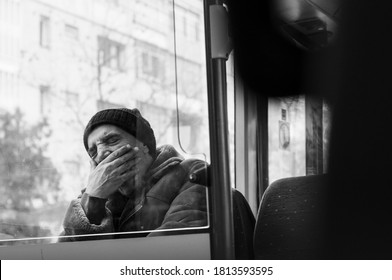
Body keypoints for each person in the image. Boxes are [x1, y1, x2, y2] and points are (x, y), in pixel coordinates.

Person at [60, 108, 208, 240]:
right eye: (93, 152)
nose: (101, 155)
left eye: (112, 140)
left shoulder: (192, 173)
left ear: (144, 144)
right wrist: (93, 202)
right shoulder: (92, 200)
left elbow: (175, 247)